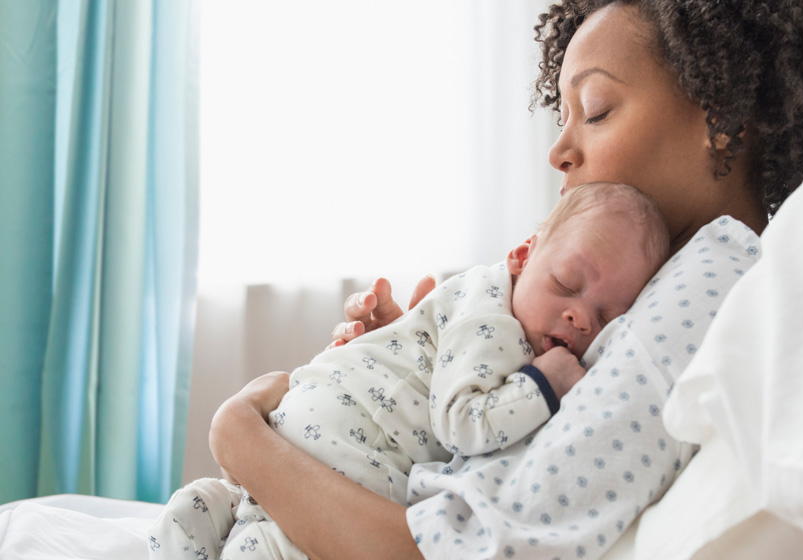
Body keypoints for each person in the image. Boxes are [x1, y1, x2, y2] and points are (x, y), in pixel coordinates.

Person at [207, 1, 803, 559]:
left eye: (593, 110)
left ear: (720, 116)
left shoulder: (705, 291)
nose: (559, 151)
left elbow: (460, 549)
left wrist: (240, 434)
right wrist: (413, 383)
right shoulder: (648, 292)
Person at [151, 182, 671, 559]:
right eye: (566, 283)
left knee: (193, 515)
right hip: (338, 464)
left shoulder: (478, 298)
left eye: (607, 317)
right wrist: (544, 383)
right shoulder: (497, 320)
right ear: (521, 257)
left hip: (299, 443)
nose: (582, 316)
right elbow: (463, 421)